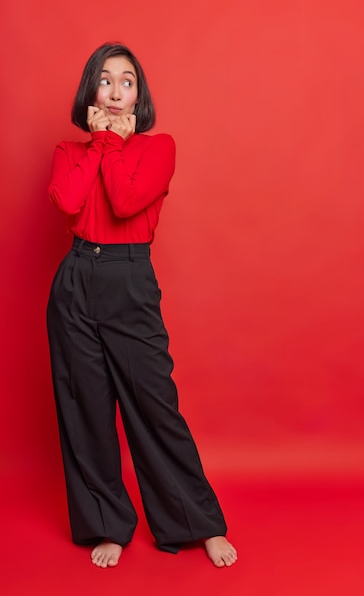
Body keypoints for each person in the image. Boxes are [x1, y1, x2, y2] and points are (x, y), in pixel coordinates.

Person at [46, 42, 237, 569]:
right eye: (104, 80)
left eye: (126, 82)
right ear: (91, 91)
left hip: (129, 278)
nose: (114, 90)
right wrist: (100, 144)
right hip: (76, 279)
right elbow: (68, 201)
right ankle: (108, 524)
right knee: (85, 407)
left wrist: (108, 145)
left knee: (154, 405)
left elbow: (126, 202)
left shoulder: (160, 148)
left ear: (139, 97)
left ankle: (200, 524)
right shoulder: (69, 151)